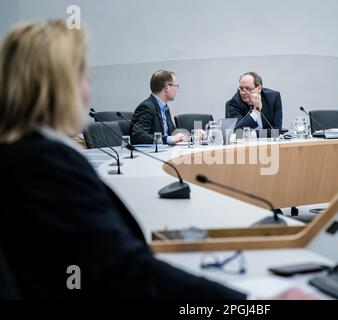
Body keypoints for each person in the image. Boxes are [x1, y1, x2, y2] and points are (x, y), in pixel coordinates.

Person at [0, 20, 309, 300]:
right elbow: (125, 270)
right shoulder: (47, 164)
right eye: (83, 76)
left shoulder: (26, 156)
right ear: (59, 86)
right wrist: (249, 302)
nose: (87, 89)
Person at [131, 70, 189, 145]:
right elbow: (138, 136)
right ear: (167, 87)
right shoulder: (146, 107)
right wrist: (169, 139)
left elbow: (173, 131)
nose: (177, 90)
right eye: (176, 86)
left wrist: (192, 135)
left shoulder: (164, 107)